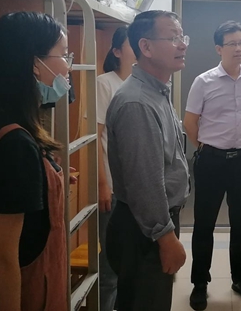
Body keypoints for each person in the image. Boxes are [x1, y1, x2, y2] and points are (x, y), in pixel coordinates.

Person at [0, 11, 73, 311]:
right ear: (35, 63)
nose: (68, 66)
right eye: (63, 55)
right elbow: (3, 259)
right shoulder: (15, 146)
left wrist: (45, 179)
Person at [105, 10, 190, 311]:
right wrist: (165, 238)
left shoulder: (157, 91)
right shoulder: (137, 102)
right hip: (144, 230)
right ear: (146, 47)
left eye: (182, 37)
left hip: (153, 223)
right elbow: (145, 183)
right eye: (173, 37)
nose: (182, 44)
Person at [184, 21, 241, 310]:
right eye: (232, 44)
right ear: (219, 48)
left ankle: (240, 278)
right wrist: (206, 147)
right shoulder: (203, 81)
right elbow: (190, 122)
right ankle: (199, 283)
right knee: (204, 224)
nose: (239, 48)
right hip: (211, 161)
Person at [97, 26, 137, 311]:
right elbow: (95, 138)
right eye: (130, 44)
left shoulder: (142, 84)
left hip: (137, 187)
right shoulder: (105, 84)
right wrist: (102, 183)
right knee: (110, 262)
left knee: (133, 259)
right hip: (112, 186)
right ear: (117, 52)